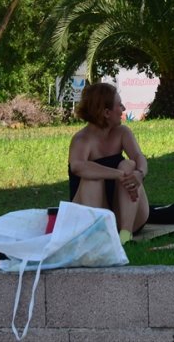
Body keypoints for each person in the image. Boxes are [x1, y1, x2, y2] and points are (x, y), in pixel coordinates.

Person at [68, 82, 149, 245]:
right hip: (92, 213)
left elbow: (139, 157)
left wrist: (139, 174)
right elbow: (78, 166)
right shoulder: (82, 139)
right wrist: (119, 175)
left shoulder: (122, 133)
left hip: (127, 215)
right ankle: (97, 235)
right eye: (119, 105)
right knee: (92, 178)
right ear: (106, 112)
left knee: (129, 165)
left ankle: (125, 236)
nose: (124, 109)